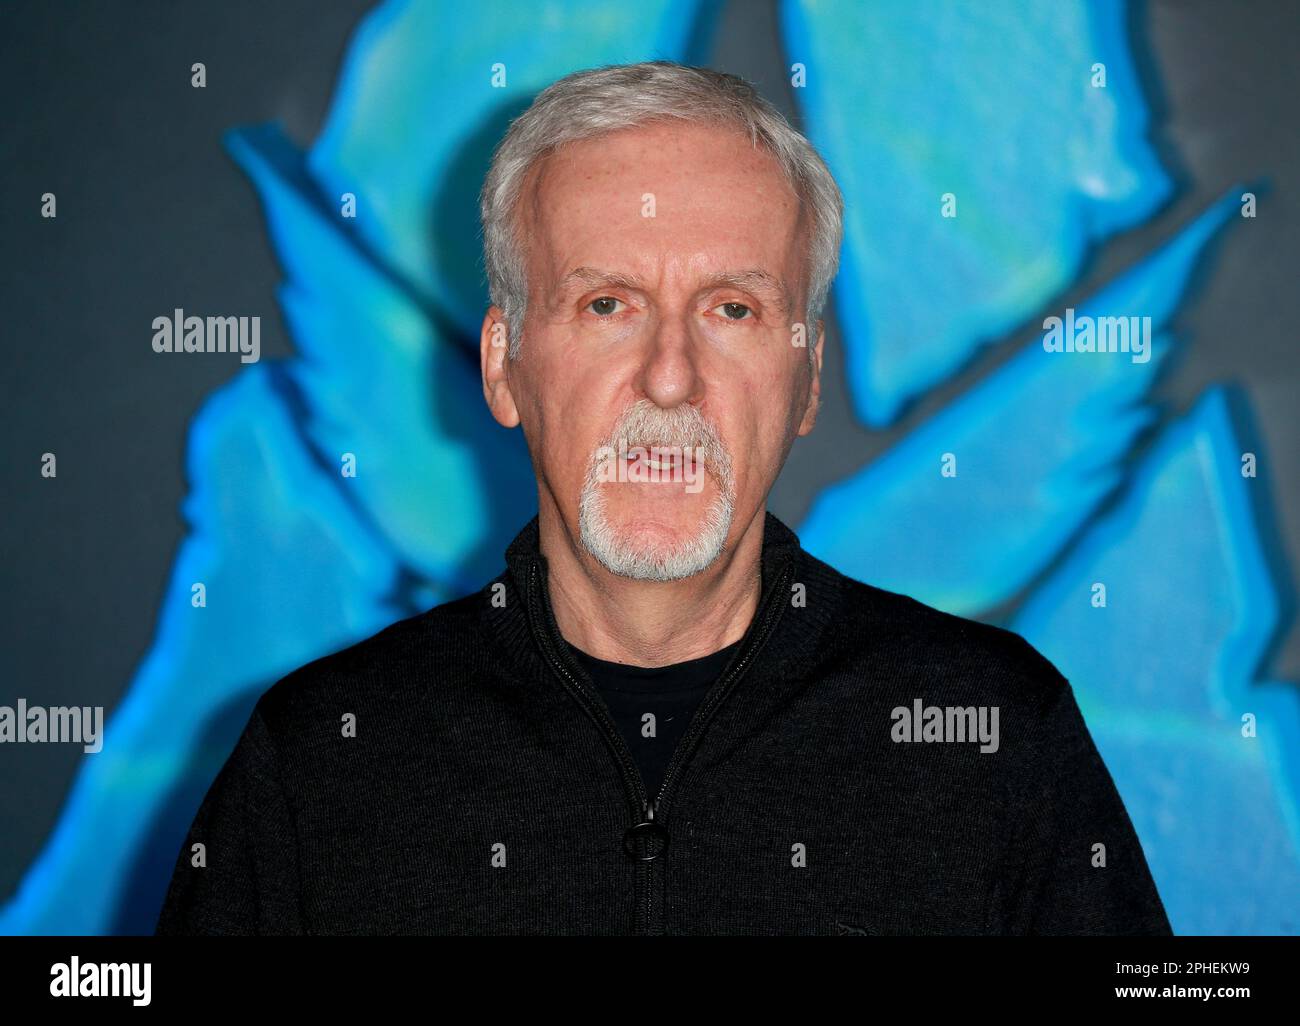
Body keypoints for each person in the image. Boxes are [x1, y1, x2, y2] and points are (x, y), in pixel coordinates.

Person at [155, 60, 1171, 936]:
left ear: (806, 377)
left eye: (731, 309)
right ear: (505, 366)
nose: (671, 377)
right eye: (608, 305)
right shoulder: (324, 755)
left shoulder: (991, 729)